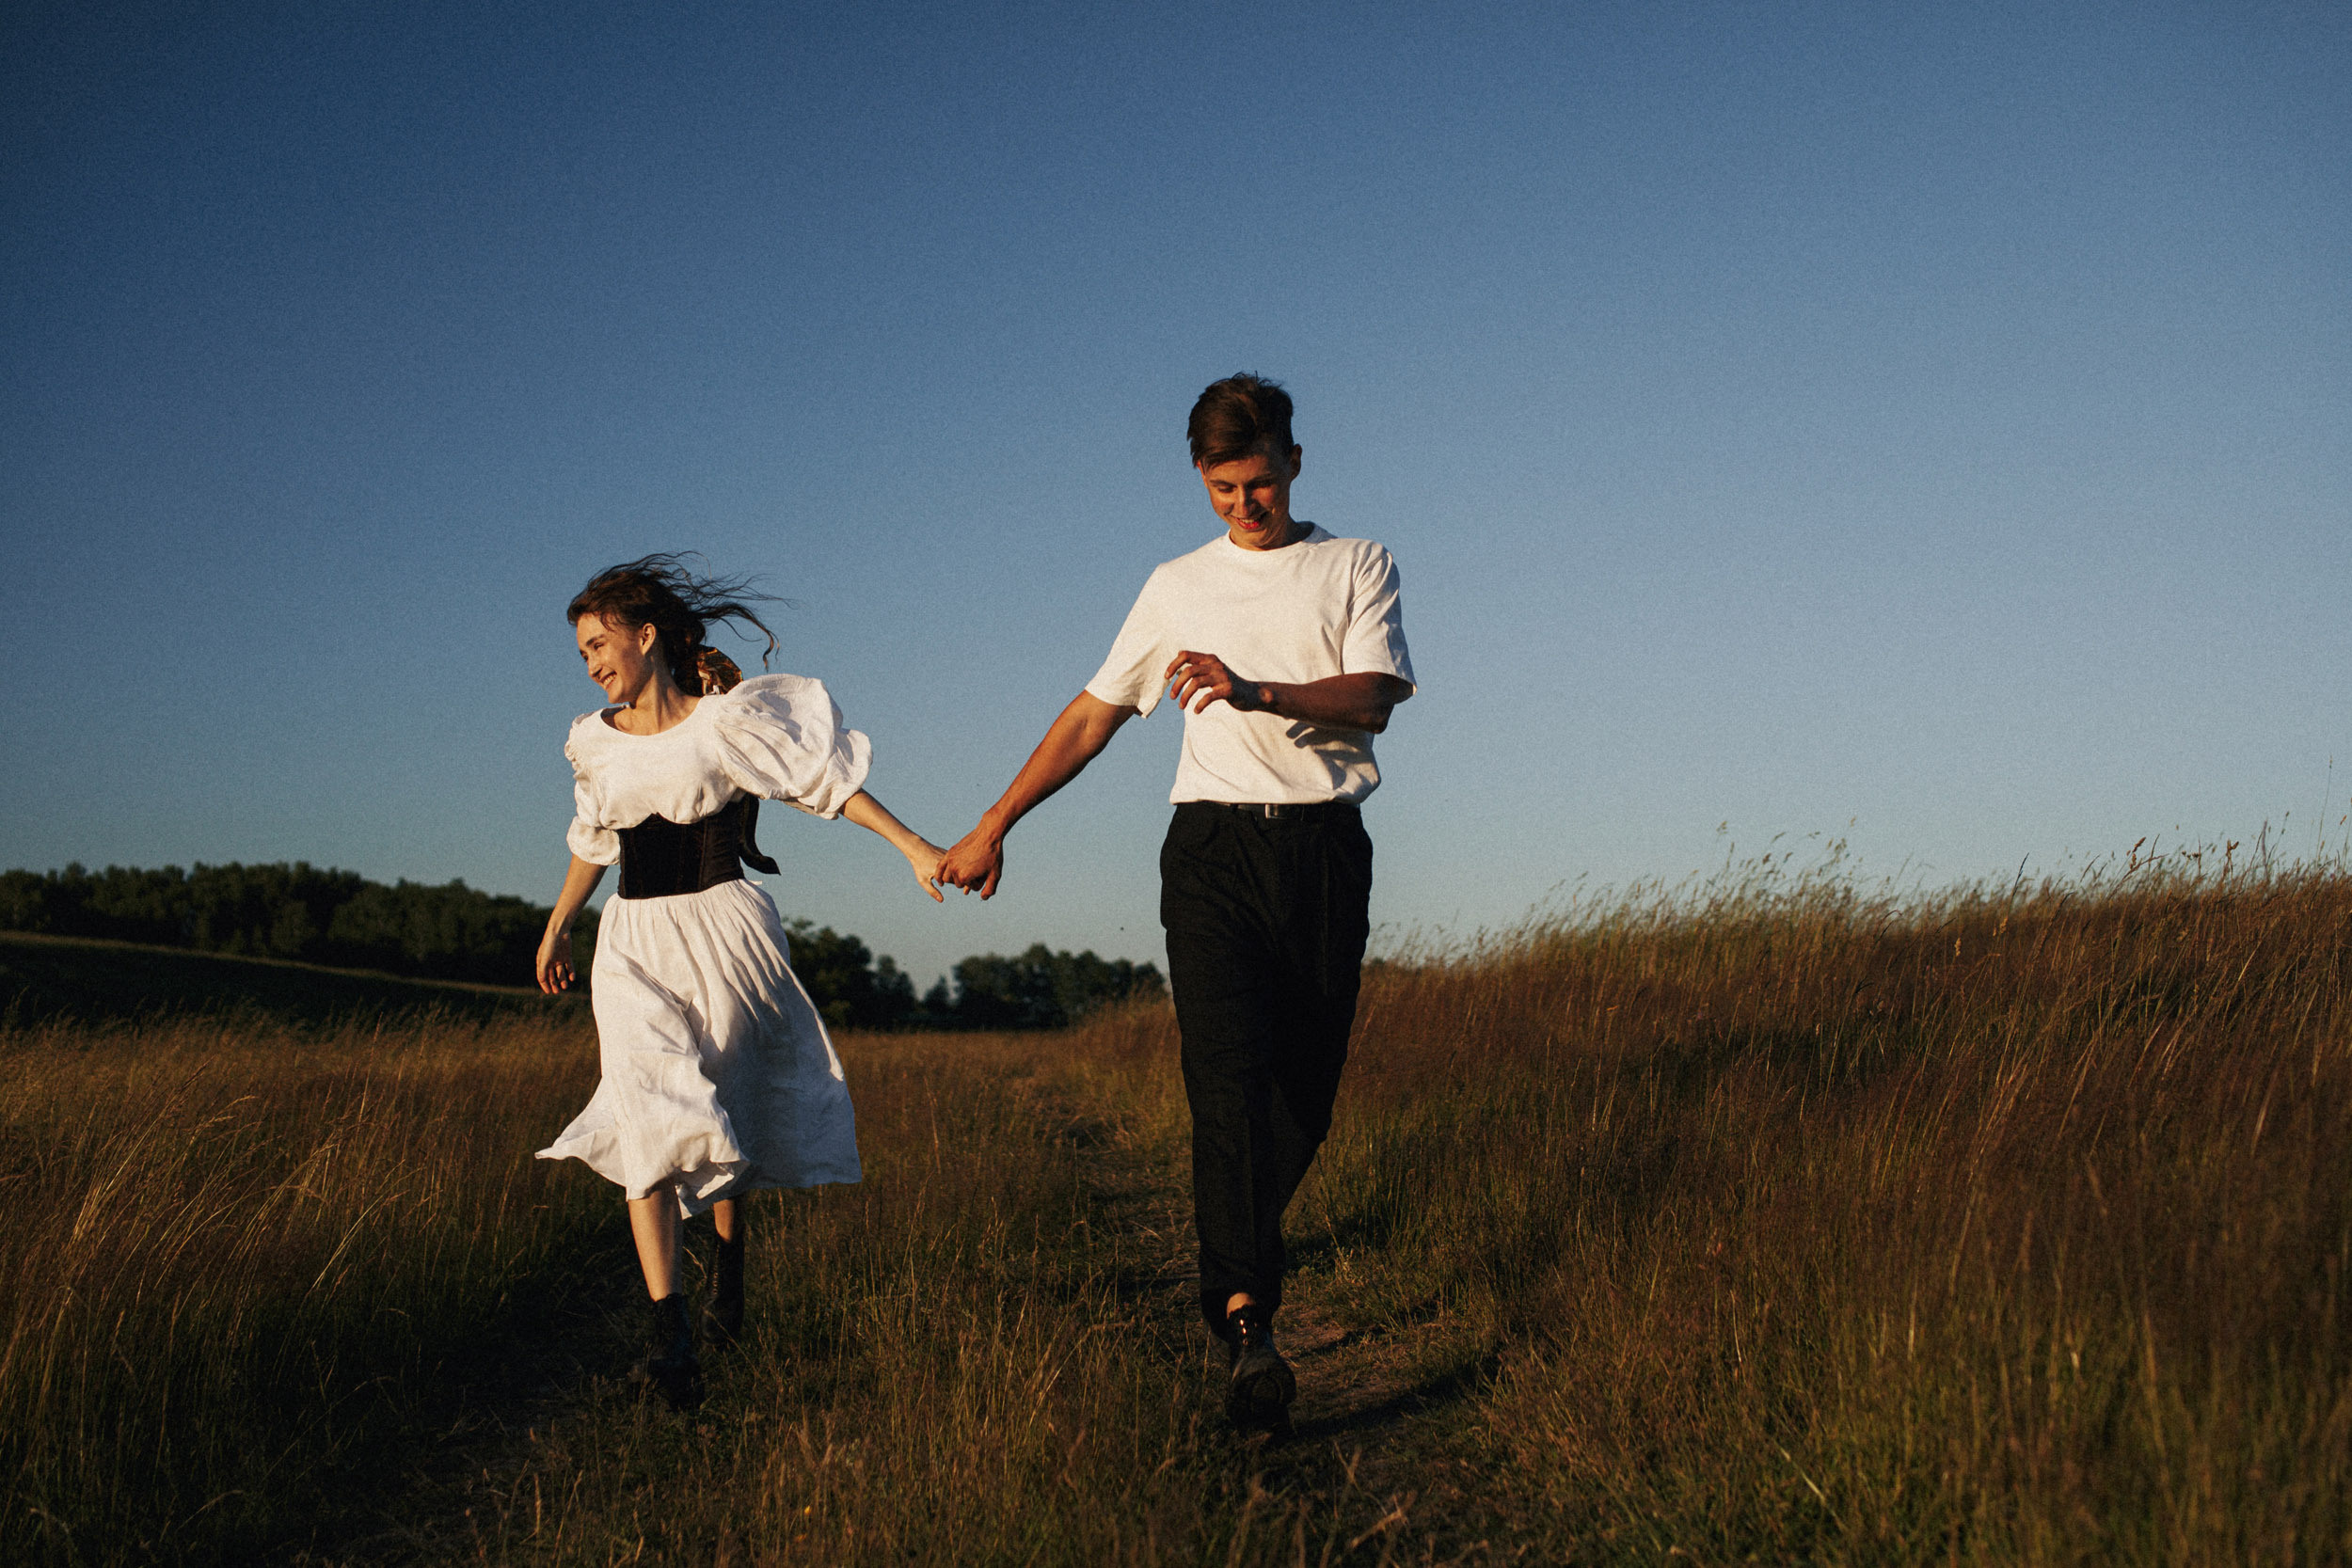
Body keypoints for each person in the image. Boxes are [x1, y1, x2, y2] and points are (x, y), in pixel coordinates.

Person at [938, 374, 1415, 1434]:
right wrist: (993, 822)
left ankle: (1241, 1251)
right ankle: (1249, 1321)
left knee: (1304, 1093)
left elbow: (1374, 697)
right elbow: (1093, 714)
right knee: (1226, 1074)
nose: (1243, 505)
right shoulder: (1173, 584)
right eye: (1220, 488)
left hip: (1324, 850)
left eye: (1257, 483)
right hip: (1209, 850)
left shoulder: (1354, 563)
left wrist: (1254, 690)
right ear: (1199, 482)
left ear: (1295, 461)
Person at [534, 554, 945, 1410]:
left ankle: (728, 1275)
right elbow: (591, 838)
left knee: (725, 1106)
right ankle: (670, 1338)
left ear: (647, 637)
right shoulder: (590, 739)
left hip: (723, 933)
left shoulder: (725, 724)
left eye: (600, 643)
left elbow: (821, 787)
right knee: (645, 1108)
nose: (592, 663)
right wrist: (559, 921)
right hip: (634, 939)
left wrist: (914, 846)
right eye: (581, 652)